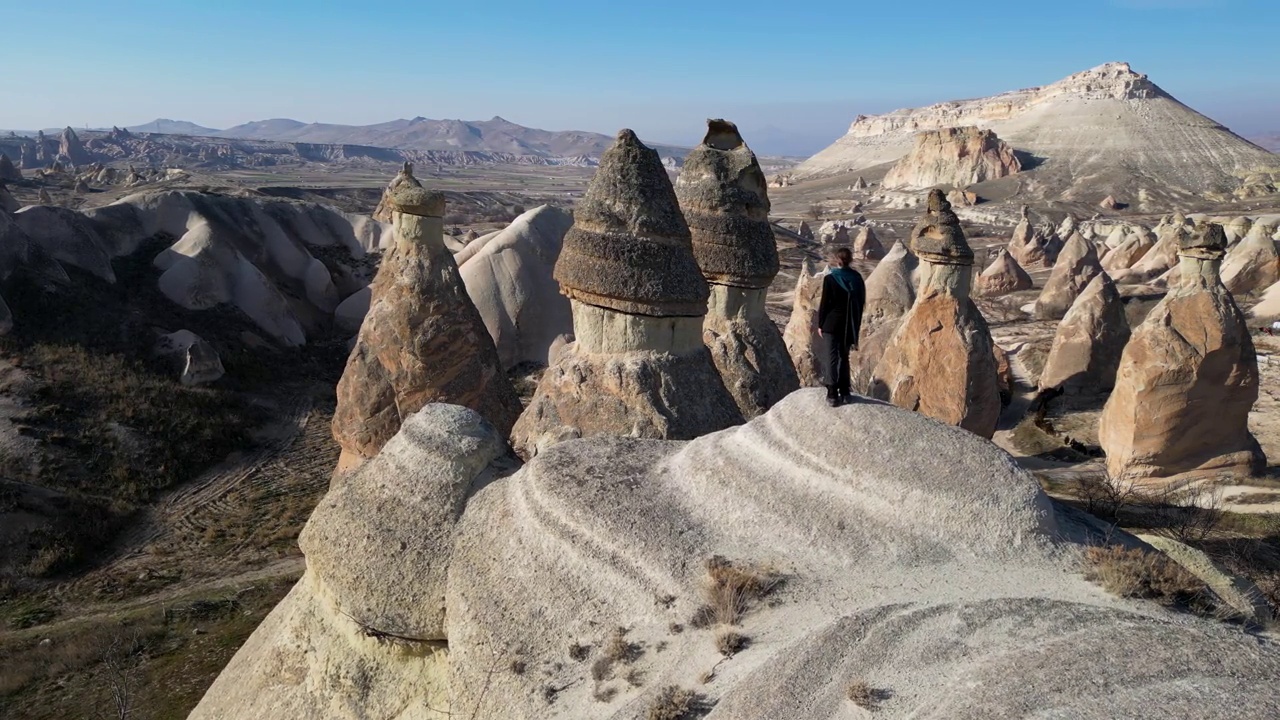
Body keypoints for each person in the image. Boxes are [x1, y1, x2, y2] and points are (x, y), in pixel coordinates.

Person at [816, 247, 866, 407]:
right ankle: (845, 392)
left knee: (831, 357)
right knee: (844, 357)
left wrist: (820, 324)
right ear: (850, 260)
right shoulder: (857, 278)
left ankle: (832, 394)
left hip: (831, 323)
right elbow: (861, 301)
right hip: (848, 324)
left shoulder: (830, 279)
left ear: (837, 260)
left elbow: (824, 304)